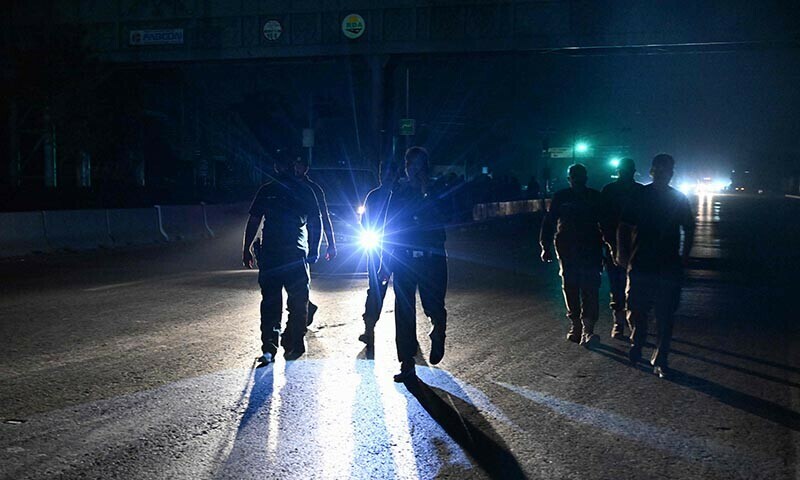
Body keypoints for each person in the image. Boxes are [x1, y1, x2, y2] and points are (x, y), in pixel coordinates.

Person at [617, 153, 695, 379]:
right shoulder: (640, 195)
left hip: (668, 264)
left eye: (667, 170)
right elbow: (624, 225)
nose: (662, 173)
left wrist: (684, 256)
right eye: (658, 169)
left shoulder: (678, 199)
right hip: (640, 261)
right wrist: (621, 253)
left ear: (671, 173)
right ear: (652, 171)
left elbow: (689, 228)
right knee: (636, 309)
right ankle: (637, 342)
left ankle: (661, 357)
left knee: (665, 314)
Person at [242, 150, 322, 365]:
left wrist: (247, 248)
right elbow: (316, 222)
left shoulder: (267, 190)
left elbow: (254, 221)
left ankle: (270, 347)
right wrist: (314, 249)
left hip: (272, 255)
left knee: (271, 303)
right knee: (298, 301)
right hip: (295, 255)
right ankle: (295, 342)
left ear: (276, 167)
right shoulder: (304, 190)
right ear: (293, 166)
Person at [379, 147, 451, 382]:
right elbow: (388, 228)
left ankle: (438, 329)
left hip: (432, 258)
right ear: (406, 167)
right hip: (404, 259)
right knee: (404, 311)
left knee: (433, 305)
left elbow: (450, 215)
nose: (413, 171)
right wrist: (384, 263)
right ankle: (407, 362)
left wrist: (427, 192)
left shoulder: (438, 189)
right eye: (410, 166)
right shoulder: (398, 192)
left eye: (419, 166)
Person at [540, 163, 604, 347]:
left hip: (591, 250)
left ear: (585, 178)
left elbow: (606, 224)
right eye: (574, 176)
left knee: (590, 289)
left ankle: (588, 330)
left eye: (579, 175)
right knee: (571, 287)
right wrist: (545, 246)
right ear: (569, 179)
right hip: (567, 250)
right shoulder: (561, 197)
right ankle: (576, 326)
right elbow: (549, 222)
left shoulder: (594, 197)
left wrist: (612, 249)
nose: (577, 179)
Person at [358, 160, 401, 346]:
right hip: (377, 247)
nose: (386, 177)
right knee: (375, 289)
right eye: (384, 173)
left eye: (390, 174)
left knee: (403, 294)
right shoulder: (373, 196)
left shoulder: (402, 194)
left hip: (399, 250)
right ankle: (369, 328)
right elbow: (365, 221)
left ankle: (408, 335)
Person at [600, 158, 644, 340]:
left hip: (636, 246)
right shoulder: (612, 190)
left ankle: (630, 322)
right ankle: (620, 322)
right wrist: (611, 244)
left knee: (632, 286)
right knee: (618, 285)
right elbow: (603, 220)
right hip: (616, 244)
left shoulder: (639, 192)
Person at [293, 155, 337, 327]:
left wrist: (329, 244)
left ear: (306, 168)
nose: (296, 169)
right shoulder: (286, 186)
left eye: (299, 165)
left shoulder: (313, 189)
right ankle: (305, 309)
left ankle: (301, 316)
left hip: (305, 243)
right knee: (293, 282)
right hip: (289, 242)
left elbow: (323, 218)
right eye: (294, 165)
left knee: (299, 281)